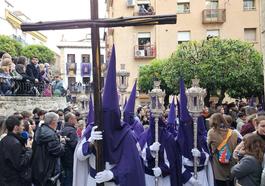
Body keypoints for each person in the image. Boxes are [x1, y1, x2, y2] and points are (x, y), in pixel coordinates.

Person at [73, 45, 145, 186]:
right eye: (104, 114)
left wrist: (112, 173)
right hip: (93, 181)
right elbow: (80, 156)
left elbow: (132, 163)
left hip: (113, 182)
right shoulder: (93, 128)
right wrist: (90, 141)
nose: (108, 118)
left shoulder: (126, 134)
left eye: (111, 115)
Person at [138, 115, 181, 186]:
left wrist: (162, 169)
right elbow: (138, 157)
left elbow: (172, 160)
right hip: (148, 178)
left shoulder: (168, 137)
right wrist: (150, 150)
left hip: (164, 180)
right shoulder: (144, 136)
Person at [31, 112, 65, 186]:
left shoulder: (40, 130)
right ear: (53, 122)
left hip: (38, 169)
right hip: (48, 171)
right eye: (57, 122)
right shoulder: (51, 135)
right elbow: (58, 151)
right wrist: (62, 143)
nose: (57, 124)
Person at [208, 113, 240, 186]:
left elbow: (208, 146)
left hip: (218, 166)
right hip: (231, 164)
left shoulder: (211, 132)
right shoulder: (234, 133)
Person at [0, 115, 32, 186]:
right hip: (14, 181)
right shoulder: (15, 143)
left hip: (6, 179)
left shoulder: (4, 140)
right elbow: (20, 164)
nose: (23, 127)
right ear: (16, 127)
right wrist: (29, 150)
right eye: (21, 125)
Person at [60, 112, 78, 186]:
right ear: (70, 119)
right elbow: (74, 145)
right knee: (69, 177)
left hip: (64, 157)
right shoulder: (71, 130)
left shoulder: (64, 129)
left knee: (66, 175)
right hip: (70, 158)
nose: (76, 120)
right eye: (75, 118)